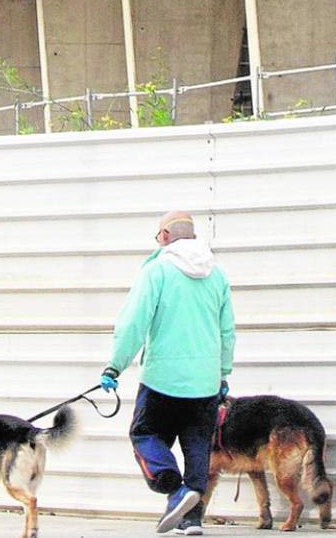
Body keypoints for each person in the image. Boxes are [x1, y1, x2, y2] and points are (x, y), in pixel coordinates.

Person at [101, 211, 236, 535]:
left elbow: (134, 322)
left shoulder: (157, 270)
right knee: (197, 447)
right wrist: (222, 373)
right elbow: (227, 331)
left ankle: (175, 492)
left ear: (164, 236)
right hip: (204, 383)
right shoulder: (216, 274)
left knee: (145, 435)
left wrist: (115, 365)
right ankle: (192, 519)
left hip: (162, 378)